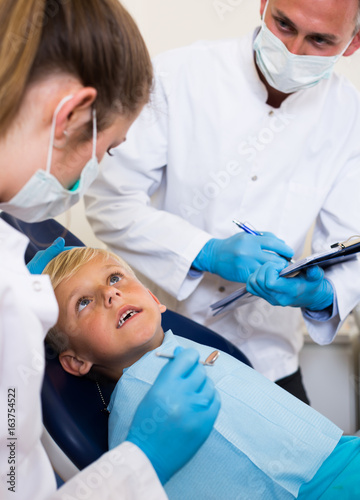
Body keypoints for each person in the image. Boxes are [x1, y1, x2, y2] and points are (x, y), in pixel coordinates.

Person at [84, 0, 360, 403]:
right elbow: (110, 201)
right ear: (263, 5)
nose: (293, 51)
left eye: (320, 40)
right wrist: (205, 251)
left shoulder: (350, 117)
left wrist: (322, 294)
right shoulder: (178, 76)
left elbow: (349, 245)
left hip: (268, 363)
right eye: (283, 25)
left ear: (352, 44)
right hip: (158, 349)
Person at [0, 1, 220, 498]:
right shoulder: (9, 298)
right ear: (72, 114)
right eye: (108, 149)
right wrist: (141, 460)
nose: (97, 167)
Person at [43, 246, 360, 499]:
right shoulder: (139, 427)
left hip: (341, 453)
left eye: (114, 278)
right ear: (75, 361)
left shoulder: (189, 347)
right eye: (83, 302)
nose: (110, 294)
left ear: (154, 299)